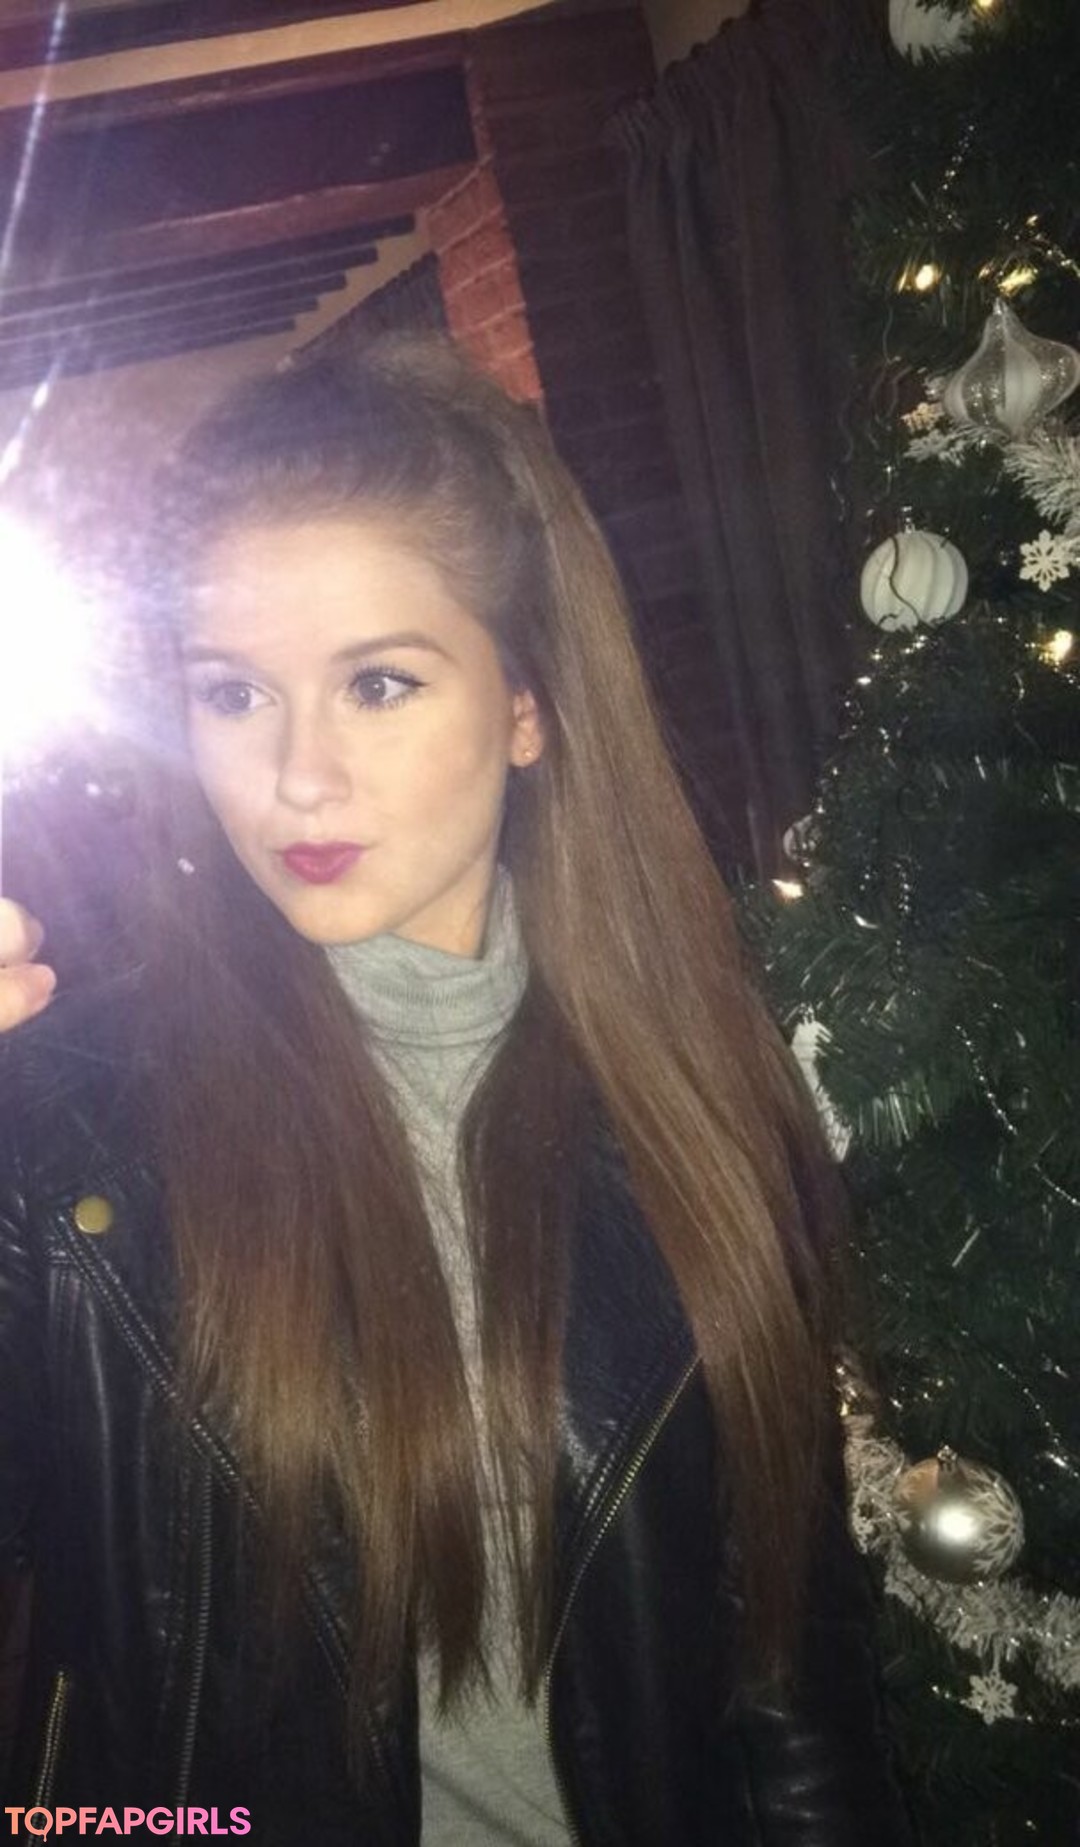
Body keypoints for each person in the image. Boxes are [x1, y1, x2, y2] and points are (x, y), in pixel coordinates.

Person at [0, 336, 914, 1845]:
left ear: (527, 705)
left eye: (378, 683)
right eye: (232, 693)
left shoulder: (702, 1106)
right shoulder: (71, 1126)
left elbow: (787, 1688)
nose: (297, 776)